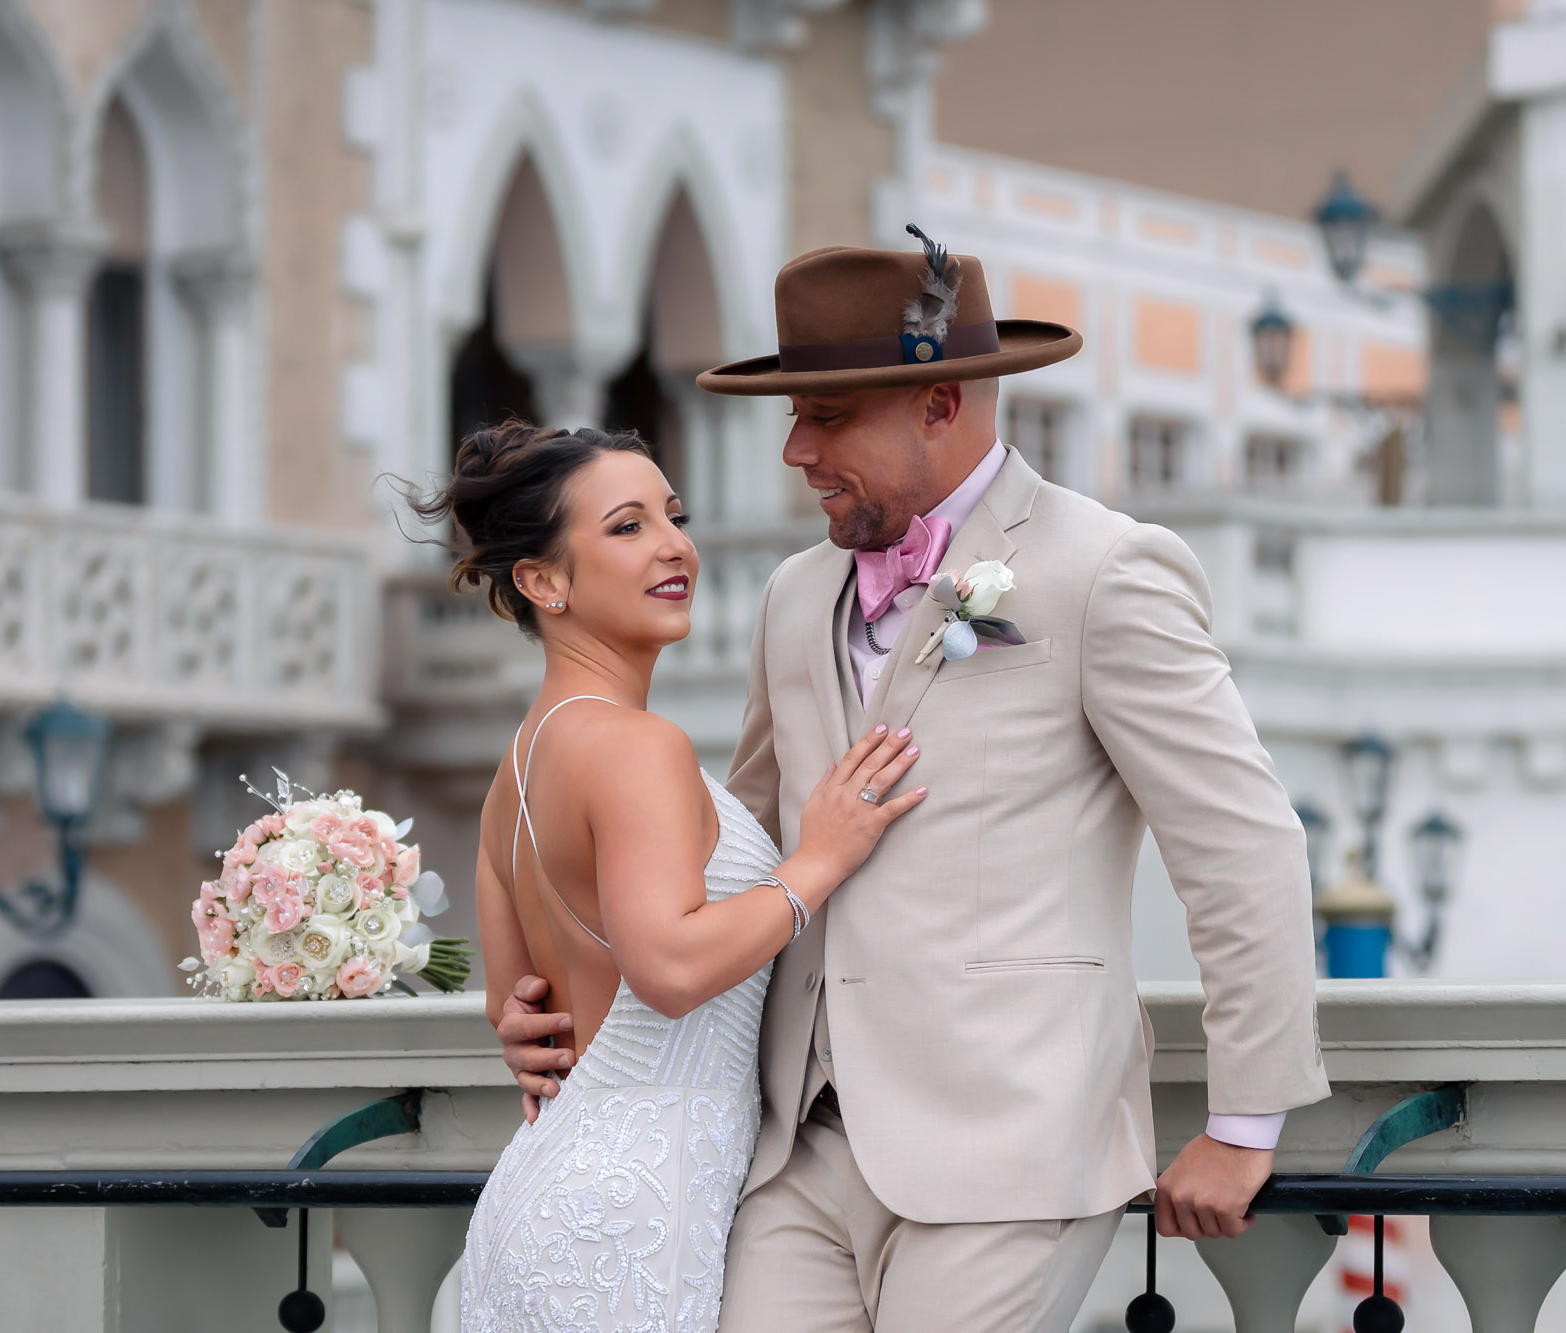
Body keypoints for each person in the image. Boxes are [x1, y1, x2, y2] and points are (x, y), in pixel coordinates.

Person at [496, 232, 1329, 1332]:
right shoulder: (793, 596)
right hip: (792, 1151)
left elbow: (1239, 846)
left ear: (940, 402)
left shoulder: (1104, 568)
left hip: (1008, 1150)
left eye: (827, 415)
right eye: (794, 414)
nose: (795, 448)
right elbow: (731, 847)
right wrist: (572, 985)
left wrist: (1243, 1122)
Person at [418, 422, 927, 1333]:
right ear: (542, 581)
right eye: (625, 525)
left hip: (549, 1194)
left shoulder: (517, 771)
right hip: (628, 1224)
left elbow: (522, 1007)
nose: (673, 544)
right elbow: (670, 969)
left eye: (673, 514)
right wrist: (820, 858)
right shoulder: (636, 745)